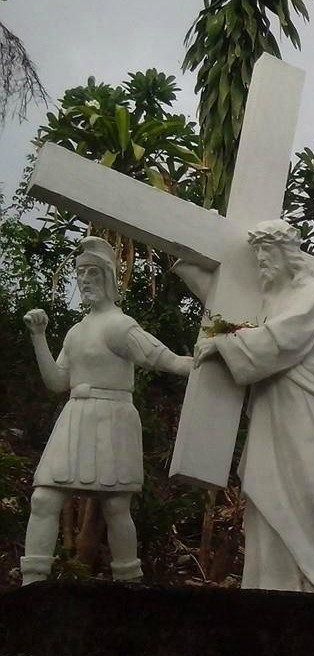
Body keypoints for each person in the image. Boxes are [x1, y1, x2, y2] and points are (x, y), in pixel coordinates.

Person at [192, 219, 314, 595]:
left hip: (305, 411)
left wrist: (226, 345)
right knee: (265, 492)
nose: (261, 261)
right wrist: (188, 265)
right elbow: (244, 321)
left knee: (311, 489)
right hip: (271, 406)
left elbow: (282, 339)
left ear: (286, 255)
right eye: (258, 254)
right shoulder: (269, 300)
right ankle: (271, 583)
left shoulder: (312, 293)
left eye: (267, 253)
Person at [21, 236, 192, 585]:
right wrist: (39, 337)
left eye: (93, 273)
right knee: (43, 499)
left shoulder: (120, 325)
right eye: (81, 273)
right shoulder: (75, 332)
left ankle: (128, 584)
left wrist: (204, 363)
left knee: (116, 508)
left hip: (112, 416)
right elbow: (57, 382)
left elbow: (163, 358)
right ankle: (32, 585)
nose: (85, 280)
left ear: (109, 278)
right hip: (75, 417)